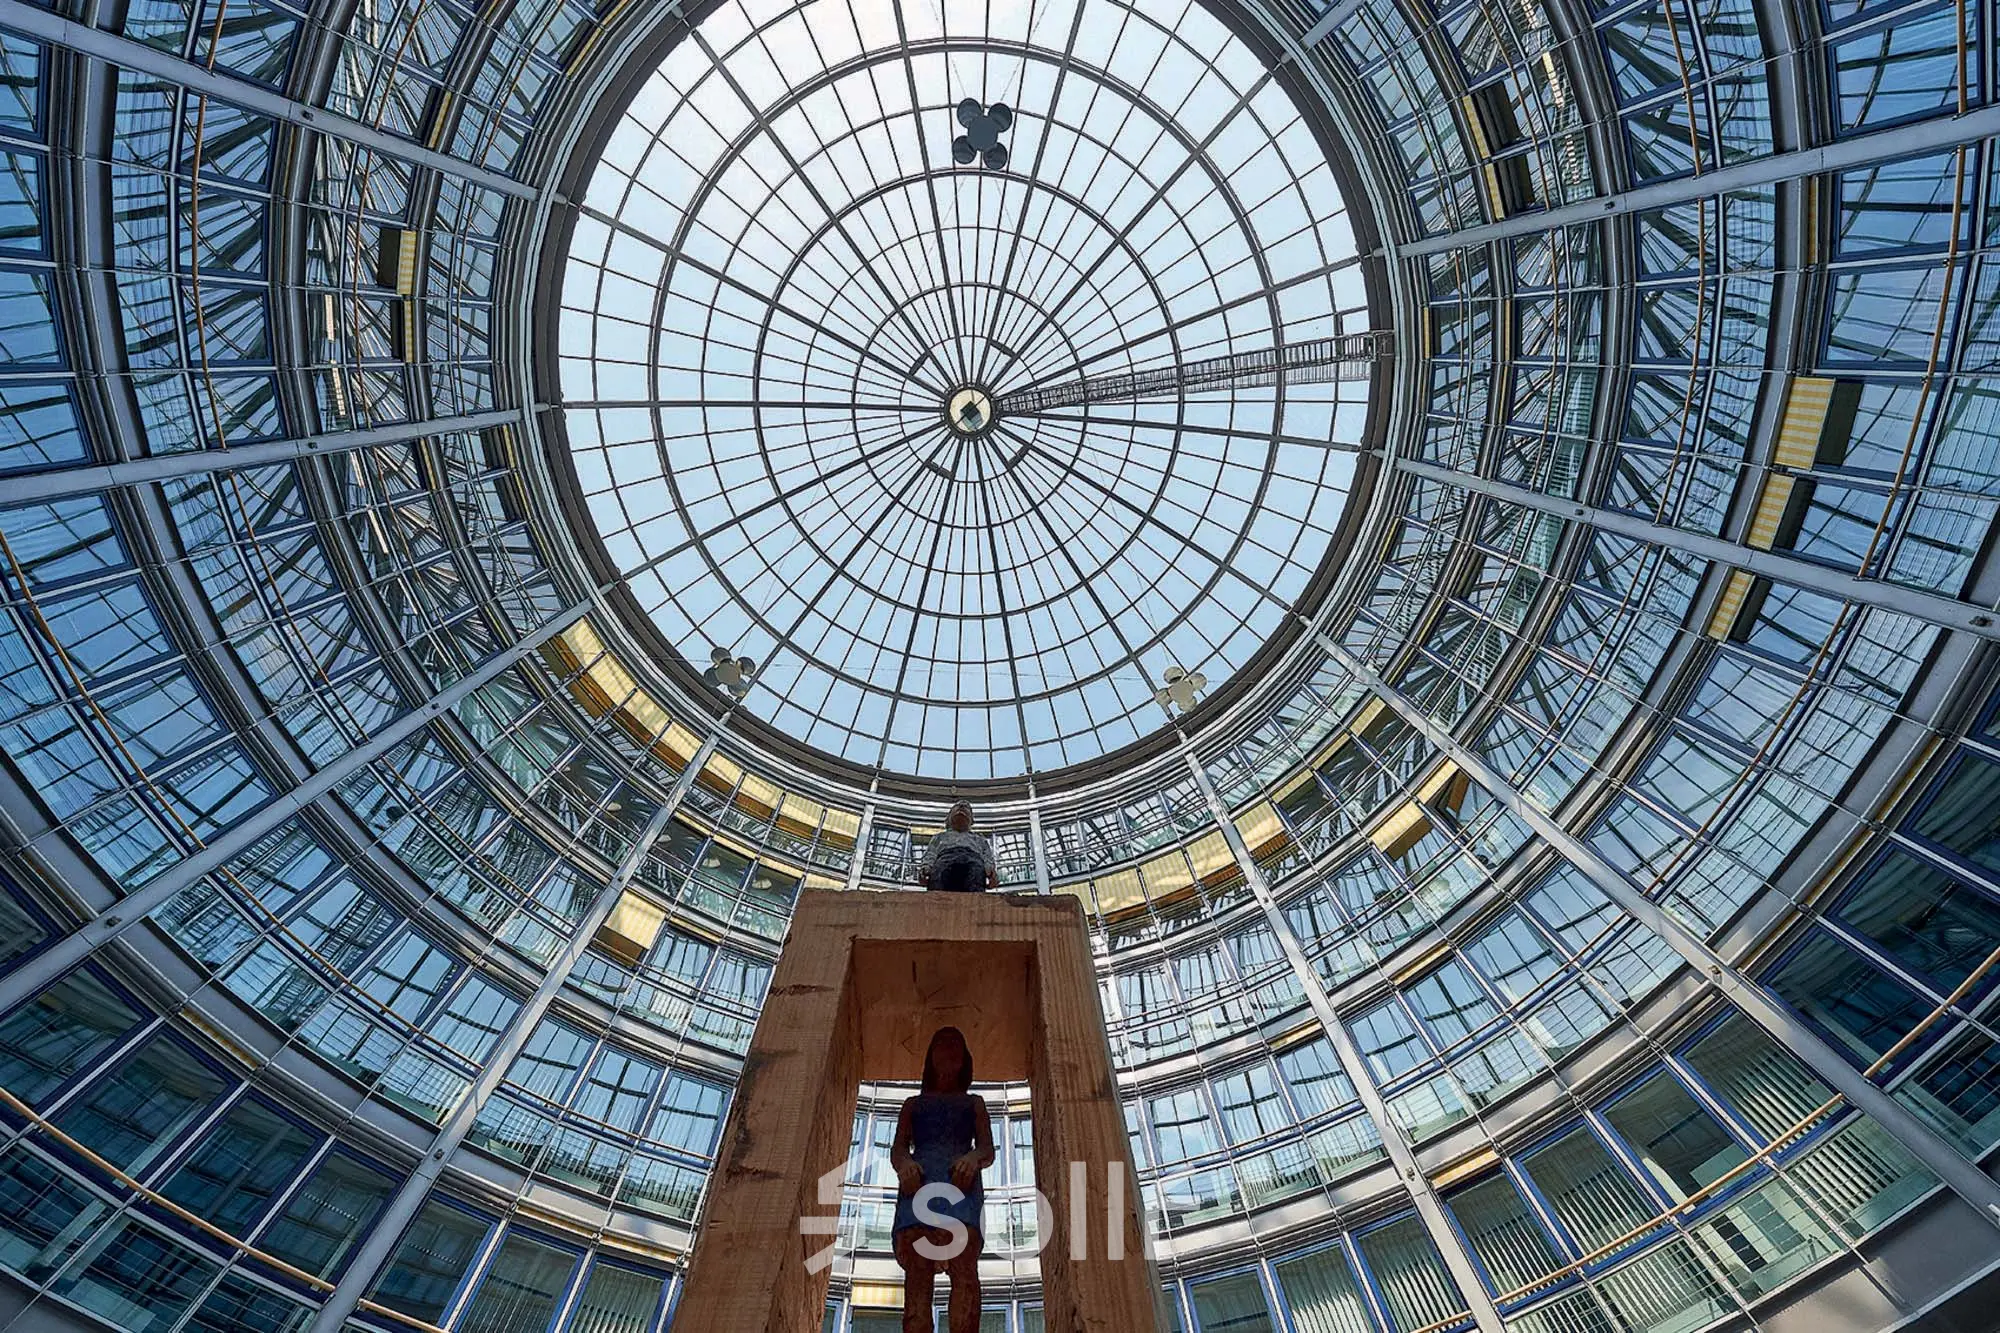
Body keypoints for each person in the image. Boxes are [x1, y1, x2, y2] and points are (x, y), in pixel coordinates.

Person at [890, 1027, 995, 1333]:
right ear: (930, 1056)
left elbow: (987, 1149)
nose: (949, 1051)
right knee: (918, 1279)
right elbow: (898, 1148)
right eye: (941, 1044)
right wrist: (905, 1165)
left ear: (965, 1058)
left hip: (960, 1190)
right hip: (919, 1188)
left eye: (955, 1045)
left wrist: (973, 1159)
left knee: (965, 1273)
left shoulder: (974, 1103)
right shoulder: (913, 1104)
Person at [918, 801, 997, 893]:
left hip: (973, 859)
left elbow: (987, 856)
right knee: (938, 880)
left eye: (966, 808)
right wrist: (926, 866)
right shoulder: (939, 837)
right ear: (948, 818)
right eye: (957, 807)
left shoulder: (979, 839)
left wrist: (990, 871)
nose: (961, 807)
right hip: (945, 858)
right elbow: (931, 853)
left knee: (976, 879)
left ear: (972, 820)